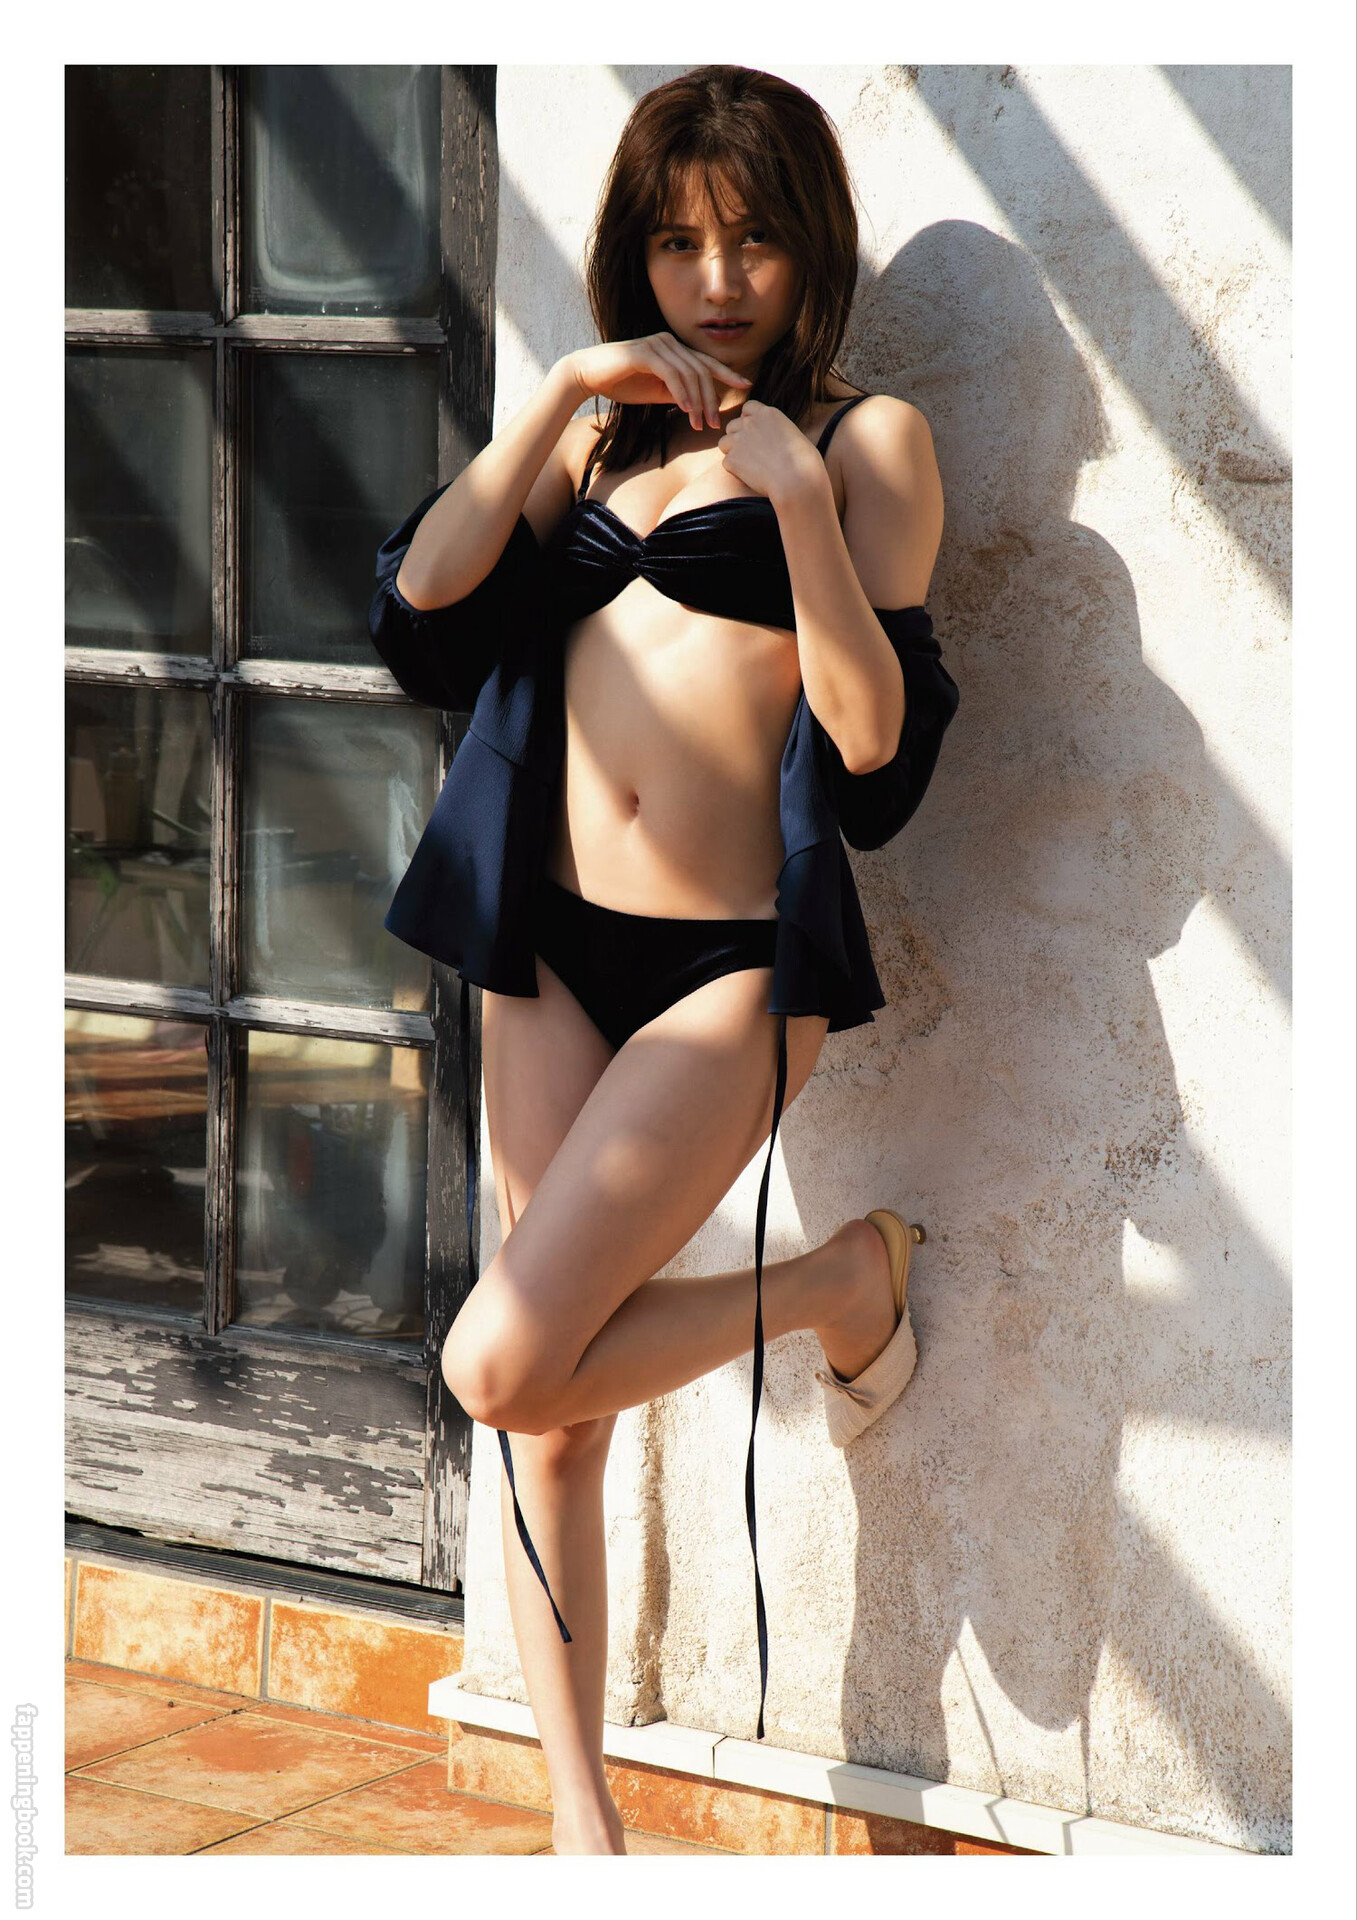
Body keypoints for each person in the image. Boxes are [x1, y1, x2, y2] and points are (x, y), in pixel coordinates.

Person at [368, 65, 959, 1855]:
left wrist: (796, 504)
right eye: (679, 241)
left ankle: (838, 1280)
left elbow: (876, 755)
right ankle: (583, 1830)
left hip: (726, 971)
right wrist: (558, 392)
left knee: (499, 1361)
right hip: (545, 946)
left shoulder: (866, 444)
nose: (715, 280)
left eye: (754, 240)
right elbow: (423, 615)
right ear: (636, 248)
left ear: (811, 250)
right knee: (547, 1419)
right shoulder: (597, 431)